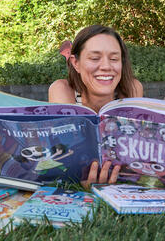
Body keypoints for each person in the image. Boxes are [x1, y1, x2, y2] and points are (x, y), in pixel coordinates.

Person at [48, 24, 143, 188]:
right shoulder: (62, 90)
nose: (106, 66)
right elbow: (67, 151)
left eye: (114, 59)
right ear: (75, 63)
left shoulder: (132, 88)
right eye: (94, 58)